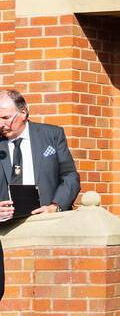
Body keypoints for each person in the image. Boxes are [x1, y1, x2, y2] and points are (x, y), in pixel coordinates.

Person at [0, 88, 80, 222]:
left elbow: (70, 176)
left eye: (6, 118)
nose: (1, 124)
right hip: (5, 229)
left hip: (46, 223)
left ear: (23, 113)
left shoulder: (52, 135)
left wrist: (55, 207)